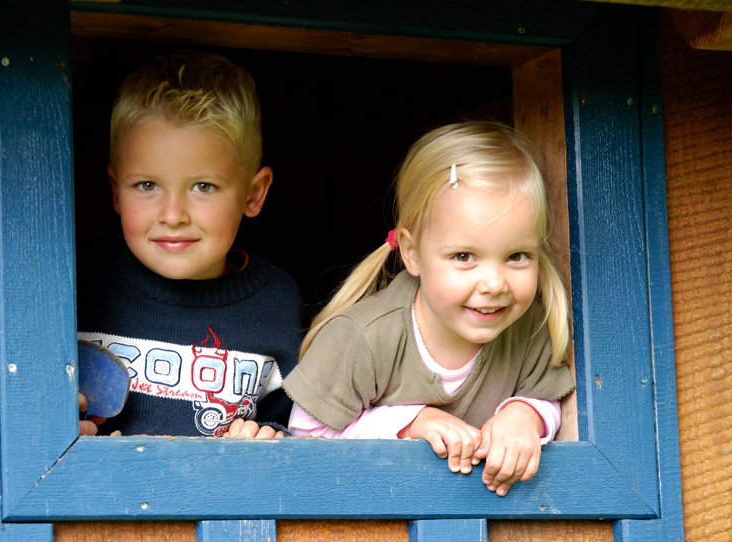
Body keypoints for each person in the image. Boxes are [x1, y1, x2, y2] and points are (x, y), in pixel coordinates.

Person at [282, 121, 575, 496]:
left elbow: (546, 395)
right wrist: (409, 424)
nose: (494, 284)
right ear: (411, 252)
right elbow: (305, 436)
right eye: (464, 256)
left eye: (516, 256)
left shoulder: (529, 327)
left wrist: (525, 417)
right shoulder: (363, 338)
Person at [77, 51, 304, 440]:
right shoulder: (77, 283)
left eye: (203, 186)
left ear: (253, 194)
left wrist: (267, 436)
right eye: (147, 185)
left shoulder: (278, 307)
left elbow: (303, 427)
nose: (172, 214)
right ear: (115, 191)